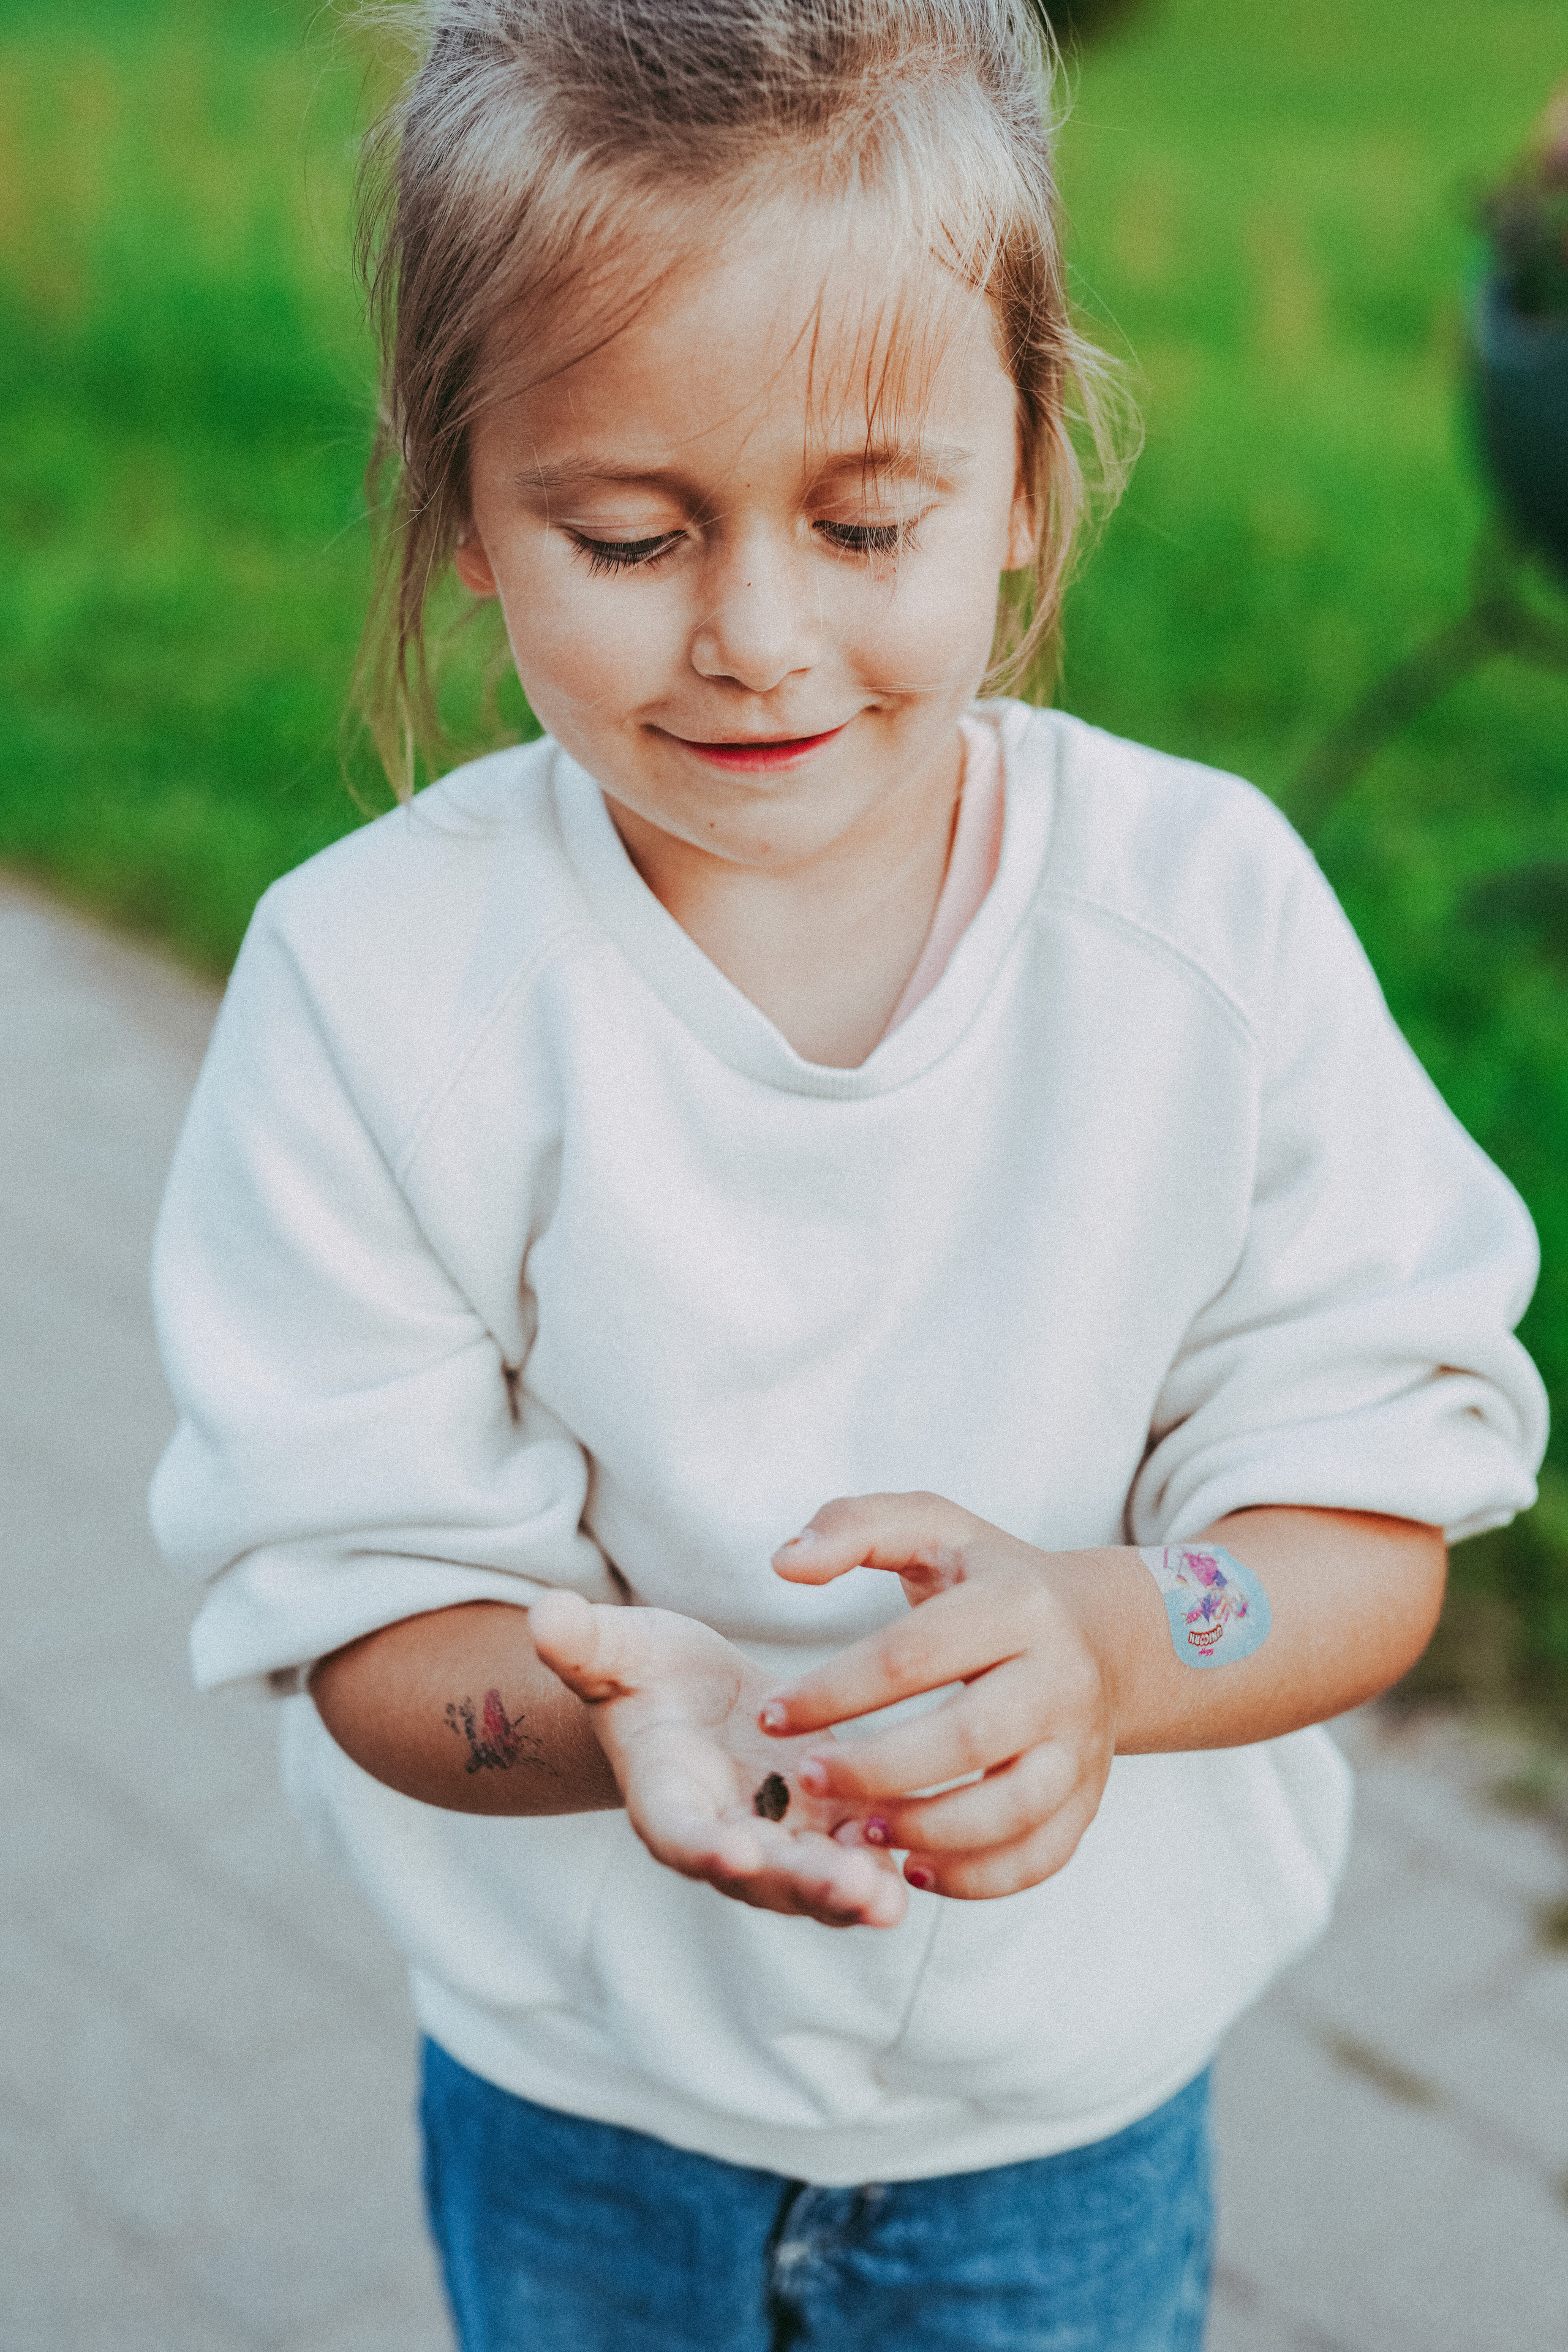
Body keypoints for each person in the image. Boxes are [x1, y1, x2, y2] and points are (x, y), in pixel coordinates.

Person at [148, 4, 1547, 2346]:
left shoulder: (1200, 934)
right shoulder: (376, 991)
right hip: (584, 2110)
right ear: (465, 507)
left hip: (1059, 2133)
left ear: (1028, 473)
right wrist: (618, 1717)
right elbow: (363, 1626)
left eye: (868, 520)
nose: (759, 636)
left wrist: (1122, 1641)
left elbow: (1363, 1528)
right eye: (627, 531)